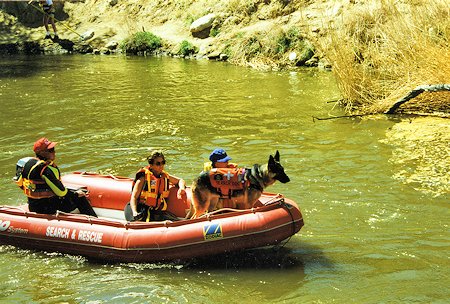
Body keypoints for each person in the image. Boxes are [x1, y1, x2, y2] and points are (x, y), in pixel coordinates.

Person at [15, 137, 97, 216]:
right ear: (42, 153)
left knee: (75, 192)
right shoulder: (45, 169)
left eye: (53, 149)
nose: (54, 152)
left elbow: (20, 183)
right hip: (48, 208)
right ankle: (94, 222)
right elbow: (61, 192)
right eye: (50, 150)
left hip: (33, 206)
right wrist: (76, 194)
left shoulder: (28, 164)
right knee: (80, 197)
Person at [124, 151, 187, 222]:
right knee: (143, 222)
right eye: (158, 163)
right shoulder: (143, 177)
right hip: (139, 209)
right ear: (151, 165)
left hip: (153, 211)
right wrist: (135, 212)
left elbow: (180, 180)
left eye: (163, 162)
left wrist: (181, 188)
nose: (161, 165)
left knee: (172, 220)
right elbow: (134, 197)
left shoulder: (164, 176)